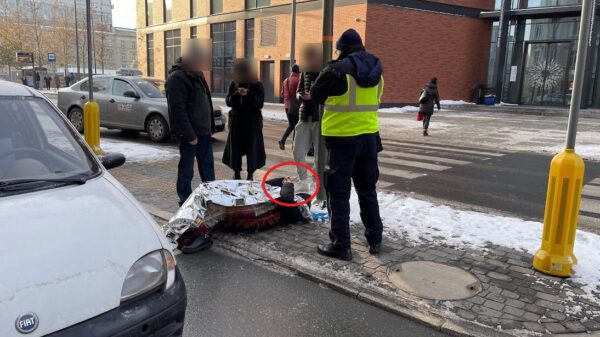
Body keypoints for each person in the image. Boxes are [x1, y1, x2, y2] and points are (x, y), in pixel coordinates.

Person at [310, 29, 384, 261]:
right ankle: (375, 238)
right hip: (369, 138)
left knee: (338, 193)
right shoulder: (377, 71)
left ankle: (341, 245)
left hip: (342, 140)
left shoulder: (336, 70)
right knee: (367, 189)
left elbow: (315, 95)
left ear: (341, 49)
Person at [166, 43, 216, 206]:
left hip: (204, 131)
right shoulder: (177, 77)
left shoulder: (198, 74)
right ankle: (185, 200)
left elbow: (206, 100)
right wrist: (190, 135)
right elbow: (177, 110)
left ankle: (212, 198)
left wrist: (210, 127)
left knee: (207, 167)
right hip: (191, 135)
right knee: (187, 170)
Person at [222, 60, 266, 181]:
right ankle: (236, 172)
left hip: (252, 122)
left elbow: (260, 104)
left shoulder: (257, 84)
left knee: (252, 148)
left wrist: (249, 94)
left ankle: (250, 173)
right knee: (235, 149)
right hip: (237, 121)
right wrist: (237, 94)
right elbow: (228, 101)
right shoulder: (234, 84)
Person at [293, 47, 321, 182]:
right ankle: (303, 179)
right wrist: (300, 96)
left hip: (319, 118)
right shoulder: (304, 72)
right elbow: (298, 90)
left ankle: (316, 183)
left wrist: (313, 96)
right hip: (304, 116)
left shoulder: (324, 72)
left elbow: (327, 95)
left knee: (319, 155)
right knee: (297, 151)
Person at [278, 64, 301, 150]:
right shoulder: (299, 80)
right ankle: (294, 146)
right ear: (298, 71)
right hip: (296, 106)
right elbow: (300, 93)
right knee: (297, 126)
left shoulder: (285, 80)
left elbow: (282, 94)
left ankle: (282, 140)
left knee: (292, 125)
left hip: (287, 106)